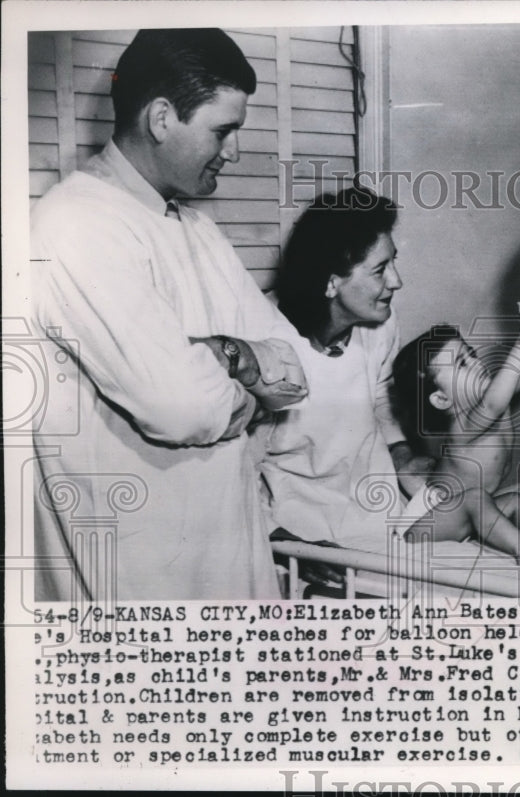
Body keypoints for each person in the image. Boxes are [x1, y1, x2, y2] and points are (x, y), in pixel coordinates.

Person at [31, 29, 310, 600]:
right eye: (223, 130)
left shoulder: (197, 230)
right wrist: (247, 381)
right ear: (161, 118)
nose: (233, 152)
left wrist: (225, 356)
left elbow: (295, 374)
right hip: (143, 587)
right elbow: (182, 409)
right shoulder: (75, 223)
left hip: (232, 564)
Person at [256, 187, 428, 549]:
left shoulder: (381, 324)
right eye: (380, 270)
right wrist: (280, 539)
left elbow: (380, 399)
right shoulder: (262, 340)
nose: (396, 281)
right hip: (301, 534)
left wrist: (402, 453)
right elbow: (236, 466)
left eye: (393, 263)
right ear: (331, 282)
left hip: (379, 514)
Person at [391, 306, 520, 563]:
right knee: (477, 499)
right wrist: (519, 348)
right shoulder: (462, 427)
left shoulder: (496, 403)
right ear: (441, 399)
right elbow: (492, 404)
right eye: (462, 363)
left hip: (460, 520)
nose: (476, 362)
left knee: (515, 501)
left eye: (471, 354)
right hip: (424, 524)